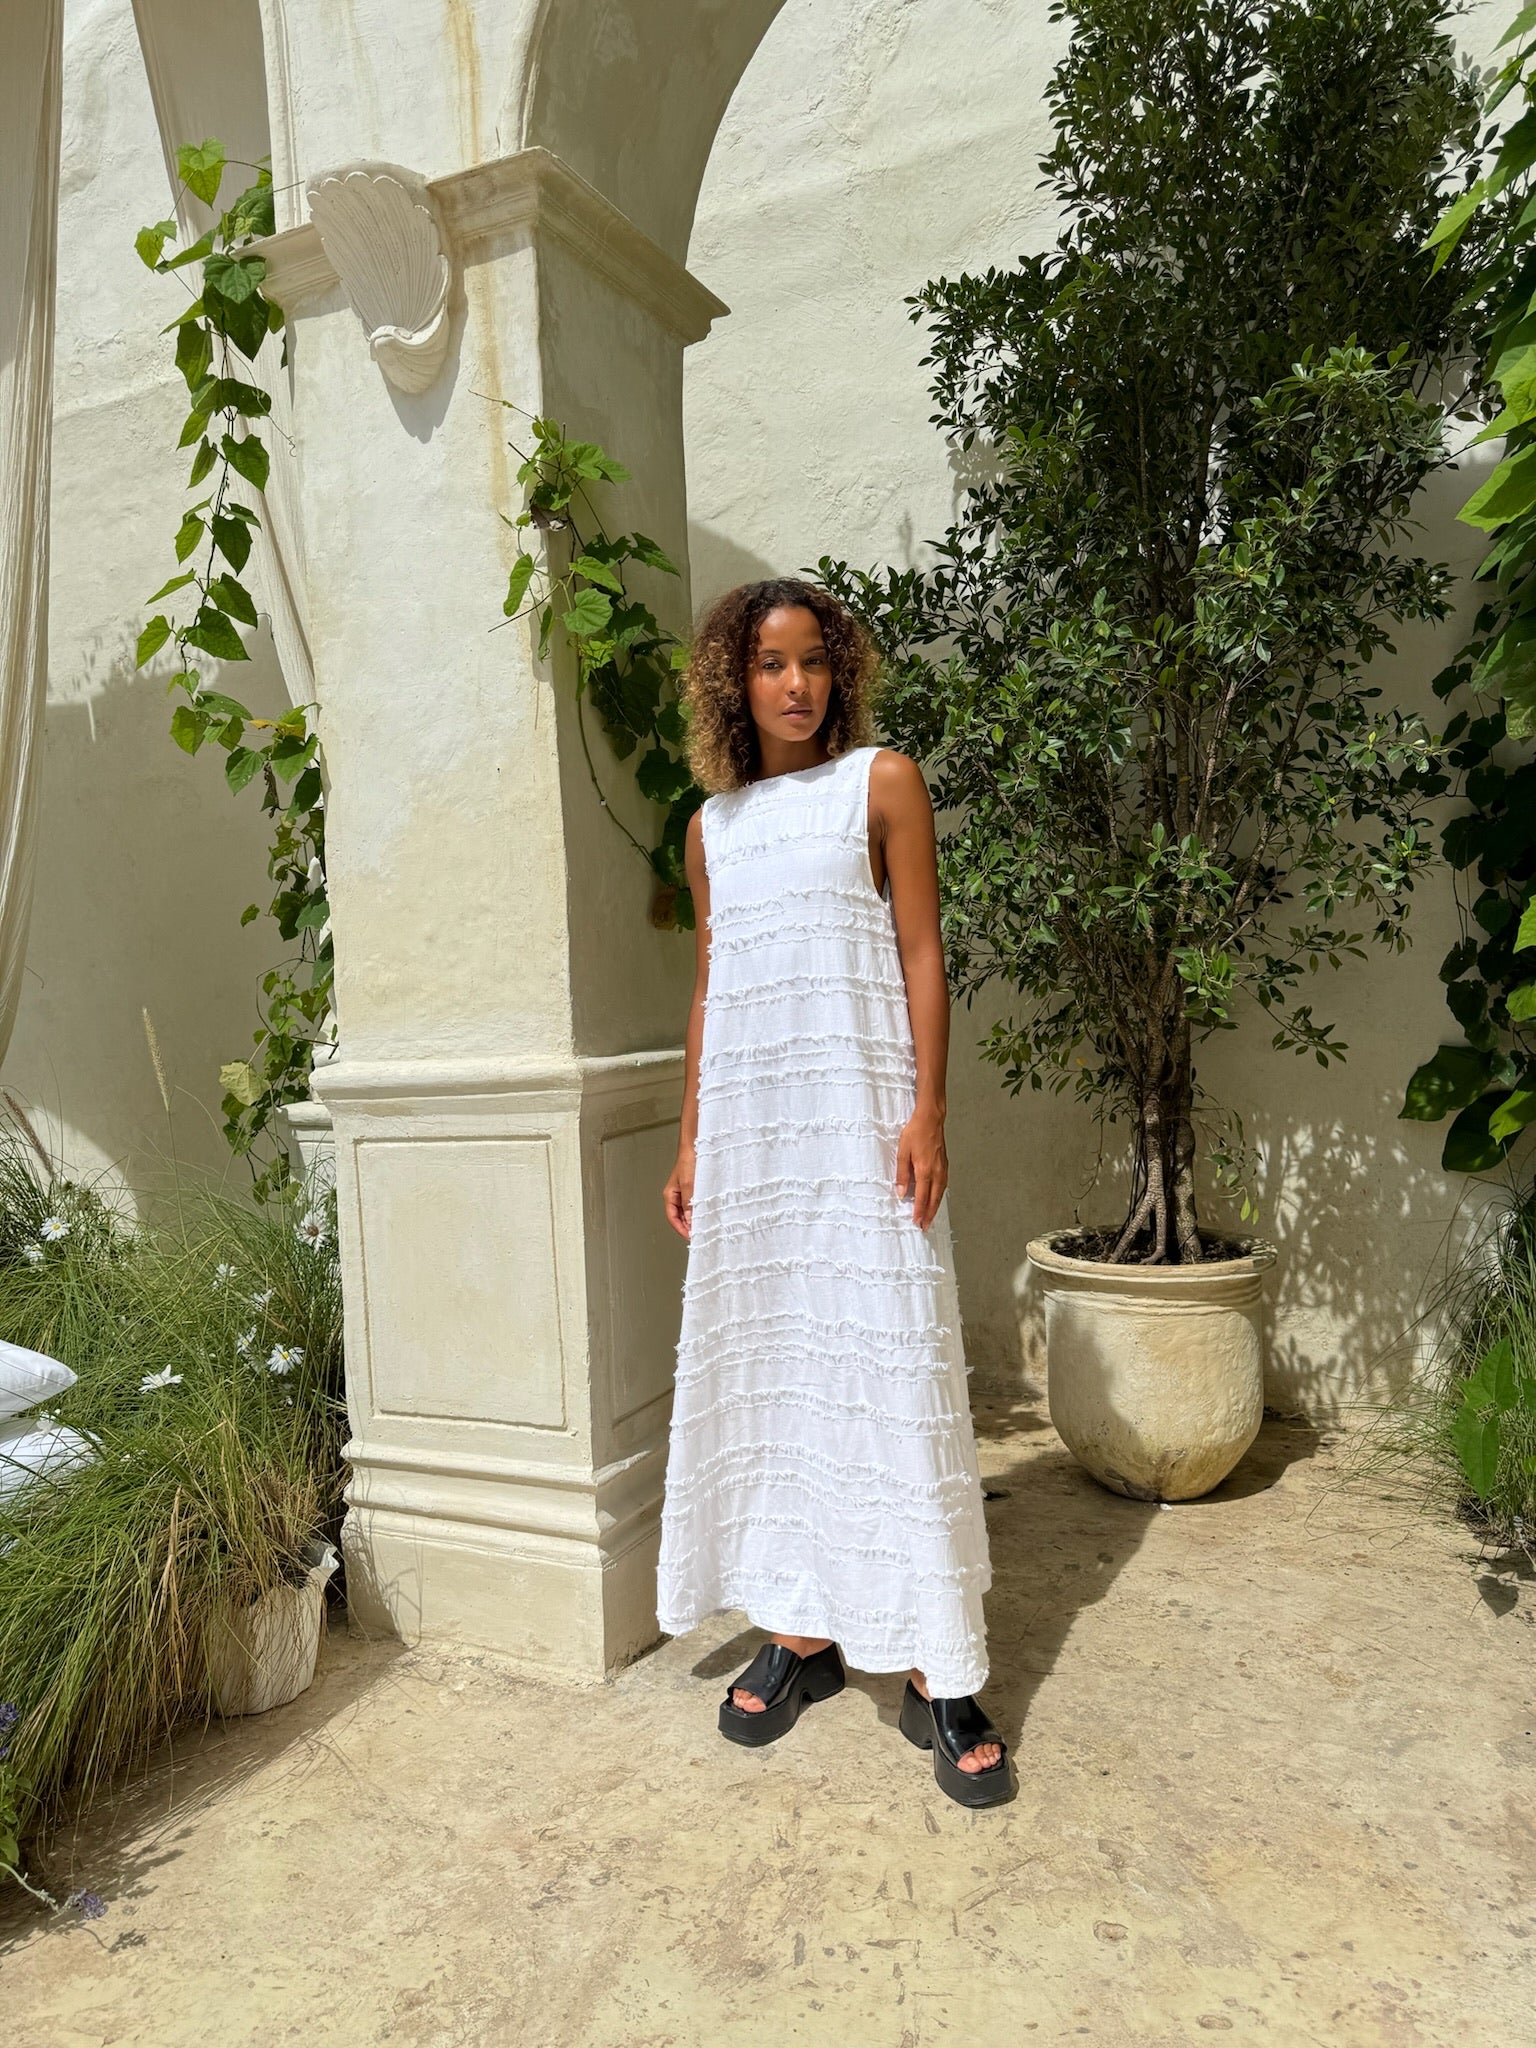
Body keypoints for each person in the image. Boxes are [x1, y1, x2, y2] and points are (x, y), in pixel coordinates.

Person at [658, 577, 1010, 1809]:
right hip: (755, 1144)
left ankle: (936, 1660)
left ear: (840, 672)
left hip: (863, 1130)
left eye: (813, 660)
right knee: (781, 1367)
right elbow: (713, 988)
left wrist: (928, 1110)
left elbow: (922, 950)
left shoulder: (882, 784)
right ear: (735, 681)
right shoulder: (711, 828)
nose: (795, 683)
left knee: (891, 1364)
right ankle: (801, 1628)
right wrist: (692, 1141)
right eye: (770, 663)